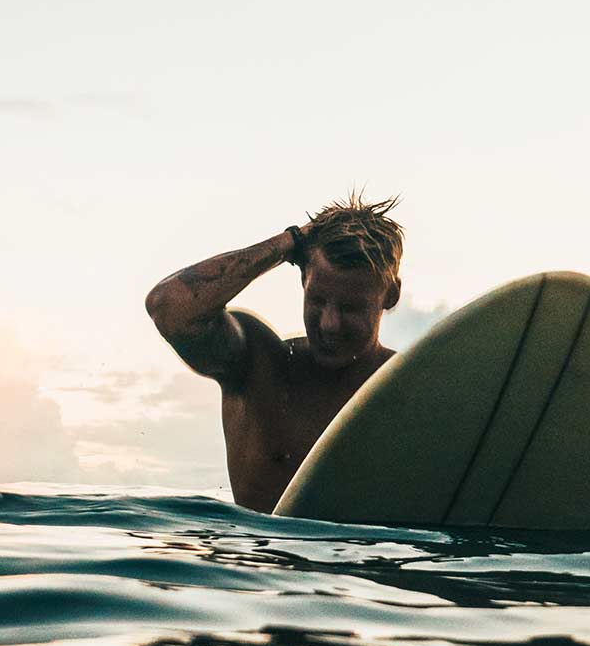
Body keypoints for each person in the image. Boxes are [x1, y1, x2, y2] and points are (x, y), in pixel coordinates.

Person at [145, 194, 403, 512]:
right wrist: (290, 242)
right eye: (318, 300)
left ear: (390, 295)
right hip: (262, 558)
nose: (330, 324)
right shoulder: (259, 365)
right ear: (303, 280)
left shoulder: (408, 385)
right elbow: (169, 306)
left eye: (350, 307)